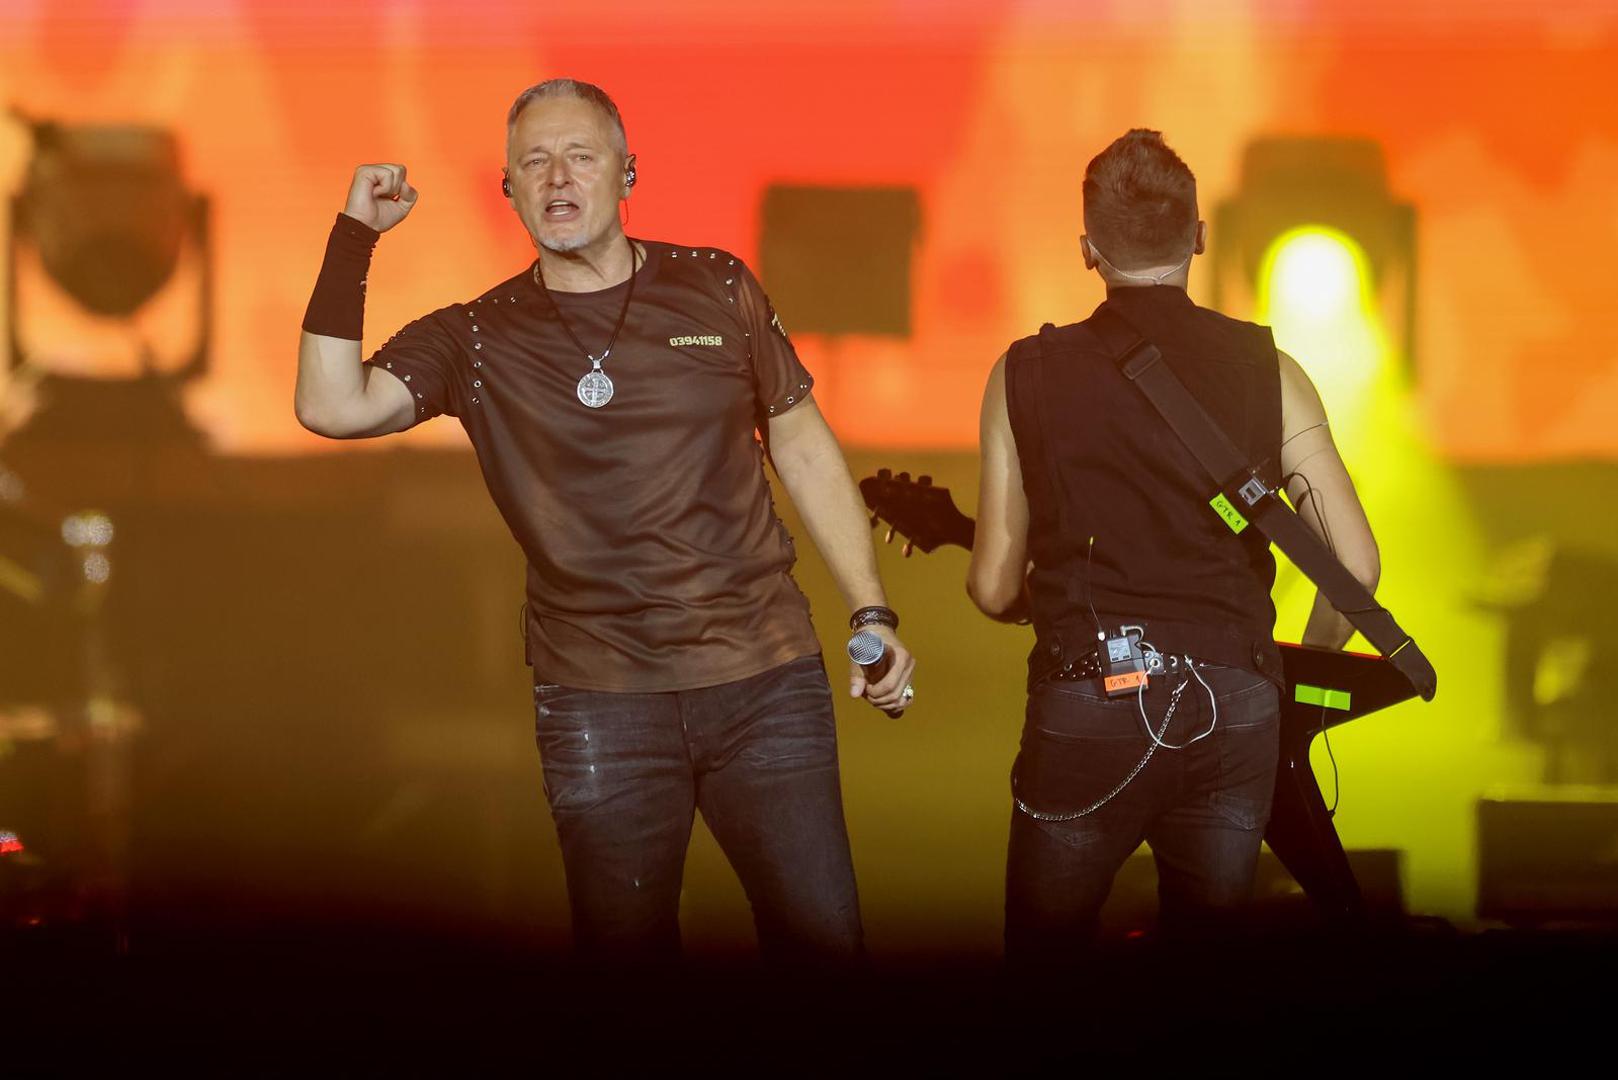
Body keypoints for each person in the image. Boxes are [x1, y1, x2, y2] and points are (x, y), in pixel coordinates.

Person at [293, 78, 915, 966]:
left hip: (763, 683)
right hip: (599, 704)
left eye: (580, 156)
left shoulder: (716, 287)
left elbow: (802, 442)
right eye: (533, 162)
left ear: (628, 174)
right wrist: (355, 236)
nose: (557, 177)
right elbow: (329, 405)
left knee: (822, 949)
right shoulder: (478, 337)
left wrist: (871, 611)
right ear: (508, 191)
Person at [966, 129, 1378, 964]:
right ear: (1199, 236)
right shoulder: (1273, 371)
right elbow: (1356, 568)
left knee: (1043, 972)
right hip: (1236, 703)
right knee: (1207, 976)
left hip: (1090, 696)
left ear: (1087, 249)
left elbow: (995, 587)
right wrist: (1294, 679)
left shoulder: (1022, 373)